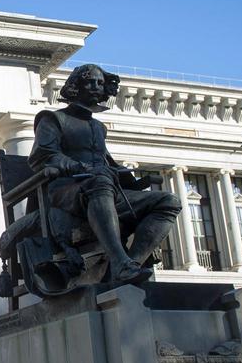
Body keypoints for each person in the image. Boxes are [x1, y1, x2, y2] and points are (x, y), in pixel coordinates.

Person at [28, 63, 182, 285]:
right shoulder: (52, 119)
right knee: (100, 181)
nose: (96, 87)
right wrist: (78, 167)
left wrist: (132, 180)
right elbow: (43, 155)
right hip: (67, 191)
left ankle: (131, 264)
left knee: (169, 201)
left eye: (100, 83)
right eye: (89, 82)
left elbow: (106, 161)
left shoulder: (99, 127)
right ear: (75, 86)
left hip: (103, 188)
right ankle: (120, 261)